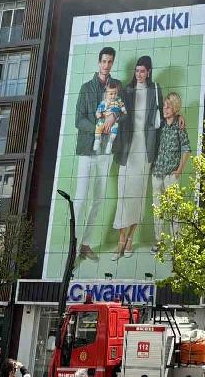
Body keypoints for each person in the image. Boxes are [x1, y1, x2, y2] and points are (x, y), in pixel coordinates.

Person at [73, 47, 123, 262]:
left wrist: (115, 118)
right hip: (87, 148)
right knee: (81, 199)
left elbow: (121, 111)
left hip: (106, 151)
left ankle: (85, 244)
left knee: (99, 200)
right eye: (103, 61)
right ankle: (71, 246)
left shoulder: (116, 87)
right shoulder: (86, 88)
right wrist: (98, 125)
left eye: (110, 62)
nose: (106, 65)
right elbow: (78, 120)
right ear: (98, 62)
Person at [112, 56, 163, 259]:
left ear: (148, 72)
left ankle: (131, 240)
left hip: (146, 147)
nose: (139, 74)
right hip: (128, 147)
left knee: (138, 194)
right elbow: (116, 111)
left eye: (142, 71)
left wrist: (180, 117)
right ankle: (121, 240)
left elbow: (164, 115)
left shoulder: (155, 90)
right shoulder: (126, 90)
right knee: (123, 193)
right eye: (136, 71)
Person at [150, 92, 191, 252]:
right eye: (164, 106)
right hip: (156, 173)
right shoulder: (159, 124)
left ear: (175, 109)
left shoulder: (179, 127)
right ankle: (159, 242)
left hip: (171, 175)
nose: (165, 109)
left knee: (174, 210)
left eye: (169, 107)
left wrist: (179, 170)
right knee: (158, 210)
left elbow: (186, 149)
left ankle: (177, 244)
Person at [93, 81, 126, 154]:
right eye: (111, 94)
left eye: (115, 93)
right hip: (103, 119)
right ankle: (97, 140)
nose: (113, 96)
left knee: (114, 131)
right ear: (106, 94)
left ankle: (110, 143)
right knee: (98, 127)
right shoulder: (104, 102)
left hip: (114, 121)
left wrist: (123, 110)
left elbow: (122, 107)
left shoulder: (118, 100)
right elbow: (98, 111)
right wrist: (98, 114)